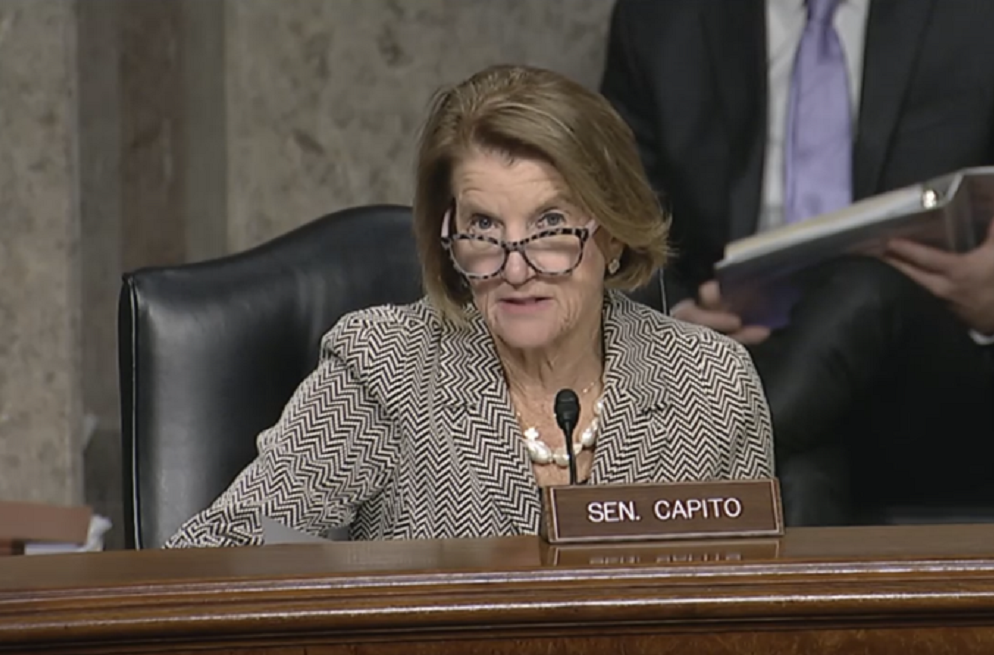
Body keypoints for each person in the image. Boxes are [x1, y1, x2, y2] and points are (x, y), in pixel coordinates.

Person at [166, 64, 774, 547]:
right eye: (483, 226)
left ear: (612, 234)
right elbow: (218, 555)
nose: (516, 269)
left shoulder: (710, 383)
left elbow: (752, 613)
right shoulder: (384, 368)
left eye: (550, 225)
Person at [600, 0, 994, 526]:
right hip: (740, 353)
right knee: (803, 473)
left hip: (932, 373)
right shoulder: (665, 18)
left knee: (863, 294)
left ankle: (669, 489)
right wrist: (675, 317)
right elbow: (614, 220)